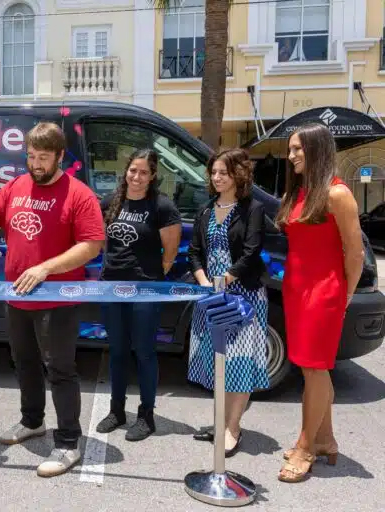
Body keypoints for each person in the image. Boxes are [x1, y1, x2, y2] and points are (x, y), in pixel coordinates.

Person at [0, 122, 104, 478]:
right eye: (30, 156)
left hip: (57, 300)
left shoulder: (79, 194)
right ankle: (32, 422)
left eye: (43, 158)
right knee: (23, 362)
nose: (36, 164)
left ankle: (69, 443)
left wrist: (45, 268)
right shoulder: (15, 186)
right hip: (16, 296)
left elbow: (91, 245)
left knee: (60, 369)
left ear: (60, 156)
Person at [276, 123, 364, 483]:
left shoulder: (337, 194)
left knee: (313, 369)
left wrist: (345, 296)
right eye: (291, 149)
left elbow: (354, 253)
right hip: (296, 290)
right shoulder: (302, 191)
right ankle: (325, 438)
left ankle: (305, 446)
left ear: (317, 149)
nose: (292, 155)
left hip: (323, 293)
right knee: (313, 368)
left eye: (298, 149)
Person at [187, 148, 269, 457]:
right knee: (217, 363)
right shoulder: (206, 210)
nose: (217, 177)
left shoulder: (253, 209)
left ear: (239, 174)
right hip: (212, 296)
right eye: (214, 172)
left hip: (242, 298)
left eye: (223, 172)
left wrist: (226, 280)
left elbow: (251, 252)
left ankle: (233, 428)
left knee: (239, 363)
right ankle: (221, 423)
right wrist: (206, 283)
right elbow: (194, 251)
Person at [95, 149, 181, 441]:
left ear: (153, 176)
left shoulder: (162, 206)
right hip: (111, 289)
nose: (137, 177)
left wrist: (151, 277)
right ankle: (116, 411)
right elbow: (99, 240)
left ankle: (146, 416)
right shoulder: (110, 201)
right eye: (133, 170)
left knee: (144, 352)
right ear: (126, 170)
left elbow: (169, 253)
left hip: (146, 289)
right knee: (117, 351)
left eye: (144, 172)